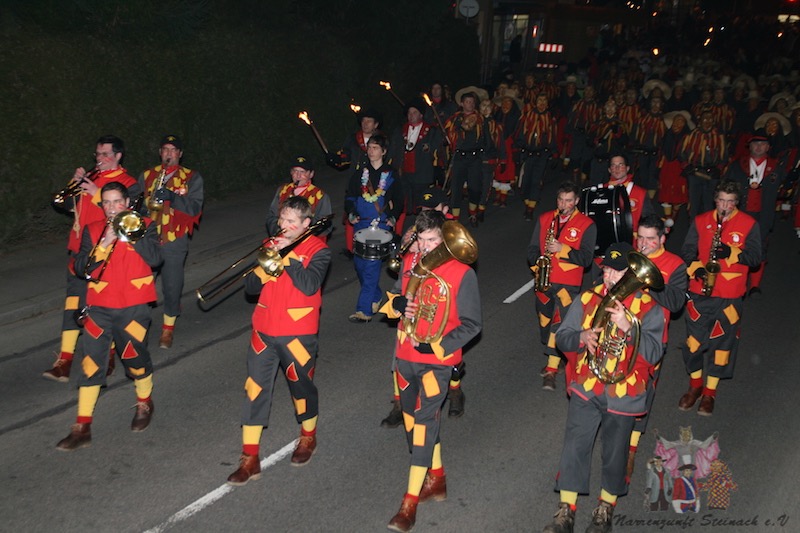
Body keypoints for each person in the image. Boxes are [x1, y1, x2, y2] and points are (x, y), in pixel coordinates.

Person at [543, 242, 664, 533]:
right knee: (575, 446)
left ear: (630, 275)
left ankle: (605, 509)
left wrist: (627, 327)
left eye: (617, 272)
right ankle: (566, 511)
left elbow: (654, 353)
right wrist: (581, 337)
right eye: (607, 270)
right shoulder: (588, 297)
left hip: (625, 394)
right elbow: (563, 337)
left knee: (614, 453)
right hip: (587, 385)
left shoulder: (649, 308)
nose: (609, 277)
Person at [380, 209, 481, 533]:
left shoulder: (462, 273)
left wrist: (438, 346)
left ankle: (408, 503)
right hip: (405, 356)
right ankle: (437, 479)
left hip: (437, 361)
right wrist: (396, 305)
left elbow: (473, 325)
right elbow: (391, 301)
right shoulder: (411, 264)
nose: (425, 247)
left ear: (445, 239)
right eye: (421, 240)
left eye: (433, 240)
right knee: (413, 425)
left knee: (424, 424)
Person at [226, 196, 332, 485]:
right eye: (282, 219)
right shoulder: (269, 243)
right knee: (254, 389)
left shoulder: (319, 250)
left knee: (301, 388)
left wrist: (289, 257)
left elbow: (310, 286)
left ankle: (308, 436)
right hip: (264, 329)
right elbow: (250, 287)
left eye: (291, 221)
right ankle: (250, 458)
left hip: (298, 332)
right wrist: (267, 260)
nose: (283, 225)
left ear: (306, 224)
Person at [55, 181, 162, 450]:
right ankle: (82, 426)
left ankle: (144, 402)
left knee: (135, 359)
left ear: (126, 203)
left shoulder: (146, 225)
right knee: (91, 363)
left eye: (116, 202)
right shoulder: (92, 230)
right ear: (101, 205)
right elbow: (81, 267)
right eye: (106, 202)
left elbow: (155, 259)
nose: (112, 208)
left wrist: (132, 234)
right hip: (99, 306)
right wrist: (103, 244)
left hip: (134, 305)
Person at [44, 135, 140, 381]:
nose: (100, 159)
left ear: (118, 156)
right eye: (98, 154)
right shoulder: (90, 178)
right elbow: (66, 205)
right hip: (80, 250)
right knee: (72, 303)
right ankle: (64, 360)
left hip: (108, 253)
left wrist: (98, 194)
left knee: (105, 306)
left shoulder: (128, 183)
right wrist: (74, 183)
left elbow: (131, 215)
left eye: (105, 154)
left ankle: (109, 355)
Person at [679, 181, 761, 416]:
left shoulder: (749, 224)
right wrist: (697, 268)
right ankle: (695, 385)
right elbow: (687, 251)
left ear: (736, 203)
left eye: (730, 202)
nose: (725, 206)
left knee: (722, 345)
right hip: (700, 291)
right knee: (693, 342)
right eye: (721, 201)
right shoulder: (700, 220)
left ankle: (710, 392)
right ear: (715, 200)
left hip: (730, 295)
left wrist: (732, 252)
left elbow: (756, 258)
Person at [626, 215, 687, 480]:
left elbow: (676, 303)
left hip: (651, 338)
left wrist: (649, 281)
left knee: (642, 392)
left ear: (662, 239)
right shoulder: (629, 256)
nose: (644, 244)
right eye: (640, 237)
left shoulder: (675, 265)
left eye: (650, 239)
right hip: (620, 330)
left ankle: (630, 449)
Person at [527, 181, 596, 391]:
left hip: (568, 284)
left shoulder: (587, 224)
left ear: (576, 201)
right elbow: (532, 248)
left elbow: (586, 259)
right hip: (544, 281)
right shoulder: (545, 218)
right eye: (561, 200)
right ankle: (556, 354)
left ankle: (551, 370)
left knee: (559, 324)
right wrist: (537, 264)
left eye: (569, 200)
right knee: (545, 322)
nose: (564, 204)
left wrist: (563, 248)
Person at [138, 135, 203, 349]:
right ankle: (138, 327)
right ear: (160, 152)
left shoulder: (191, 177)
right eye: (165, 149)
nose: (169, 154)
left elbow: (195, 208)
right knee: (141, 284)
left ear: (180, 154)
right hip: (148, 238)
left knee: (172, 285)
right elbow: (135, 205)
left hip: (174, 239)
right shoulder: (147, 175)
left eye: (173, 150)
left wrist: (172, 197)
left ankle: (168, 329)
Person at [345, 134, 403, 322]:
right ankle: (375, 295)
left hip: (380, 225)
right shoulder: (360, 173)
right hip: (361, 224)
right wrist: (351, 212)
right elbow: (350, 196)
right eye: (369, 147)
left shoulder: (391, 174)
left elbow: (399, 199)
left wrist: (393, 217)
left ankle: (364, 311)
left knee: (371, 266)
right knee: (359, 265)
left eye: (375, 148)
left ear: (383, 151)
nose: (371, 151)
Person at [723, 132, 785, 297]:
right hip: (740, 212)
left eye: (762, 144)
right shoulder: (738, 165)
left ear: (768, 147)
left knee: (760, 246)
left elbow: (784, 189)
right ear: (749, 146)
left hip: (763, 214)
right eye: (755, 144)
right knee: (737, 245)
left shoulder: (777, 167)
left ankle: (755, 286)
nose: (758, 147)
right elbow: (726, 186)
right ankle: (738, 282)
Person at [390, 98, 443, 222]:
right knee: (402, 200)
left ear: (421, 115)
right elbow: (393, 149)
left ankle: (422, 224)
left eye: (414, 112)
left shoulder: (431, 131)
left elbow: (437, 151)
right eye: (409, 113)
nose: (411, 115)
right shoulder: (400, 130)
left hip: (422, 172)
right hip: (404, 172)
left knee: (422, 202)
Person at [443, 90, 488, 223]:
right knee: (456, 188)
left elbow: (487, 139)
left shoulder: (481, 120)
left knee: (475, 188)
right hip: (459, 157)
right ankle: (455, 219)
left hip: (475, 158)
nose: (470, 104)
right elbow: (448, 135)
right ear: (462, 104)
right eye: (467, 102)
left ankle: (472, 213)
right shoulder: (455, 119)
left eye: (472, 102)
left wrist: (487, 156)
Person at [265, 155, 332, 240]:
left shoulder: (320, 196)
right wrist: (280, 232)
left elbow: (325, 225)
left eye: (302, 172)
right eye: (295, 171)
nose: (298, 176)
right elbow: (272, 216)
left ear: (311, 174)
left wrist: (298, 235)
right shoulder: (282, 190)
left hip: (308, 241)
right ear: (291, 172)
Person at [679, 110, 728, 219]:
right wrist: (687, 166)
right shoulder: (691, 135)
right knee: (694, 203)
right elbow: (681, 153)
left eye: (710, 119)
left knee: (709, 204)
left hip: (712, 174)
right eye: (705, 119)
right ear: (700, 121)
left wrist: (718, 169)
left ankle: (708, 225)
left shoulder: (719, 137)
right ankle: (693, 225)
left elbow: (724, 156)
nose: (707, 121)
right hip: (695, 173)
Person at [517, 93, 559, 221]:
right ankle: (527, 201)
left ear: (547, 104)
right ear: (535, 102)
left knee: (536, 181)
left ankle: (530, 209)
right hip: (528, 153)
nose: (542, 103)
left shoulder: (550, 119)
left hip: (542, 155)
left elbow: (553, 136)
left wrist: (554, 153)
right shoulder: (527, 116)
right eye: (539, 100)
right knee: (526, 182)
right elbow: (520, 133)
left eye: (544, 101)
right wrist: (520, 149)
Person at [603, 153, 654, 238]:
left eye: (621, 165)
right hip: (607, 238)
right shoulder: (601, 191)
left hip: (632, 240)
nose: (617, 168)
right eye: (613, 165)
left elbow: (649, 218)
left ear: (627, 168)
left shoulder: (640, 193)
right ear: (609, 170)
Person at [658, 111, 694, 227]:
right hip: (667, 168)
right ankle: (668, 218)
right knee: (666, 194)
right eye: (675, 121)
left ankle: (673, 218)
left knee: (678, 195)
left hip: (680, 169)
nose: (677, 124)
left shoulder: (688, 138)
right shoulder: (667, 135)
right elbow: (662, 152)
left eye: (681, 121)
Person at [631, 96, 666, 199]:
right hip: (643, 152)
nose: (655, 105)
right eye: (653, 102)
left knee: (653, 176)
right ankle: (643, 198)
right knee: (643, 175)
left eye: (658, 102)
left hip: (656, 154)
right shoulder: (642, 119)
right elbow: (635, 136)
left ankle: (650, 199)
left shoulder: (664, 121)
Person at [588, 98, 628, 186]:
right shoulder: (598, 124)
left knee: (611, 186)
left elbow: (624, 142)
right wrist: (595, 141)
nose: (610, 109)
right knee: (595, 186)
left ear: (616, 109)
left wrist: (617, 134)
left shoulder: (620, 125)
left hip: (611, 162)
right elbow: (589, 140)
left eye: (612, 106)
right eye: (608, 106)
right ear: (604, 109)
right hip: (598, 160)